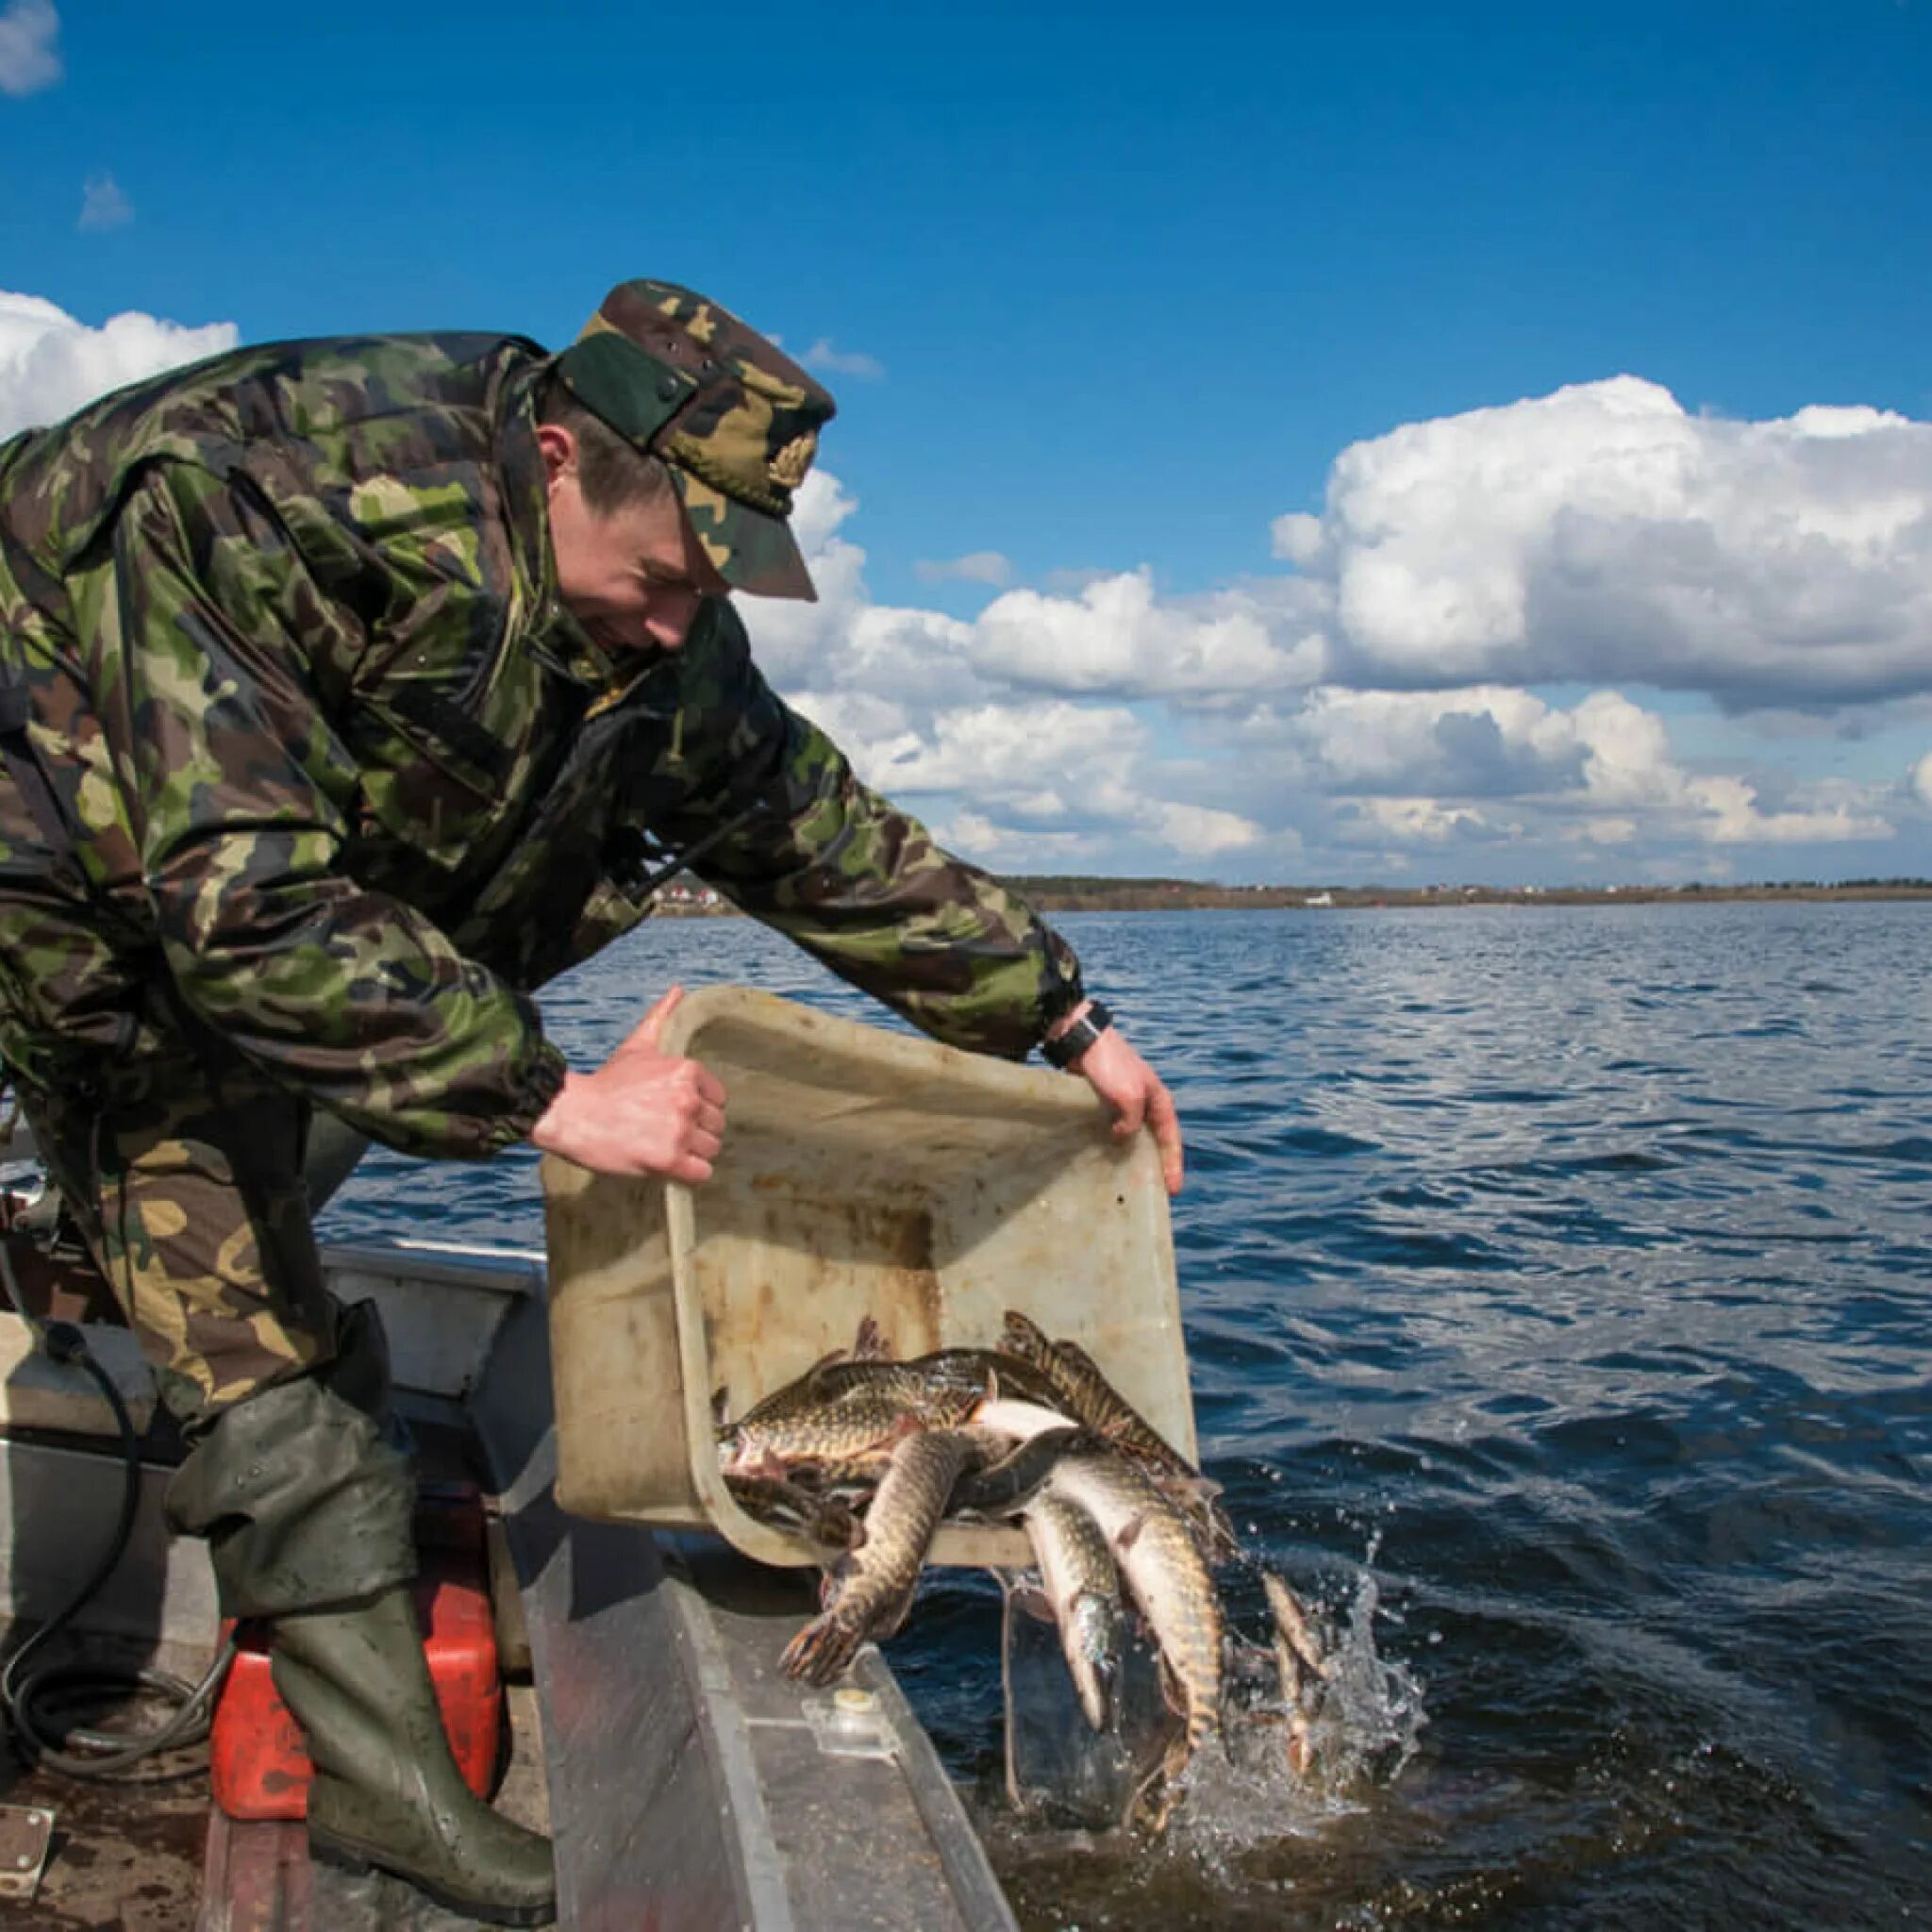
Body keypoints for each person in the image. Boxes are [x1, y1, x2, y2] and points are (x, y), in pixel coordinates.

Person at [0, 278, 1183, 1924]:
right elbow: (242, 903)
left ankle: (101, 1259)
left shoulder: (659, 623)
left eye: (717, 586)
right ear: (556, 456)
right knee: (245, 1325)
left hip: (314, 942)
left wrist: (1066, 1016)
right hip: (88, 916)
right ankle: (383, 1796)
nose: (684, 624)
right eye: (665, 578)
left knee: (263, 1209)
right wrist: (550, 1094)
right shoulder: (245, 490)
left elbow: (806, 824)